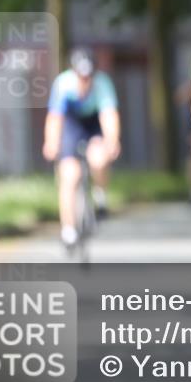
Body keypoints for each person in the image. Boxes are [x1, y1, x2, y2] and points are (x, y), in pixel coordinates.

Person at [42, 47, 121, 251]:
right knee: (69, 175)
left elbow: (108, 115)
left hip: (93, 123)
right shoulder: (63, 84)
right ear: (74, 72)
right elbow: (55, 118)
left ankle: (100, 194)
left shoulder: (102, 84)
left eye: (89, 76)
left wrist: (112, 140)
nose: (85, 81)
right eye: (81, 76)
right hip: (71, 124)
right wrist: (51, 142)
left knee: (99, 158)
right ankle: (68, 229)